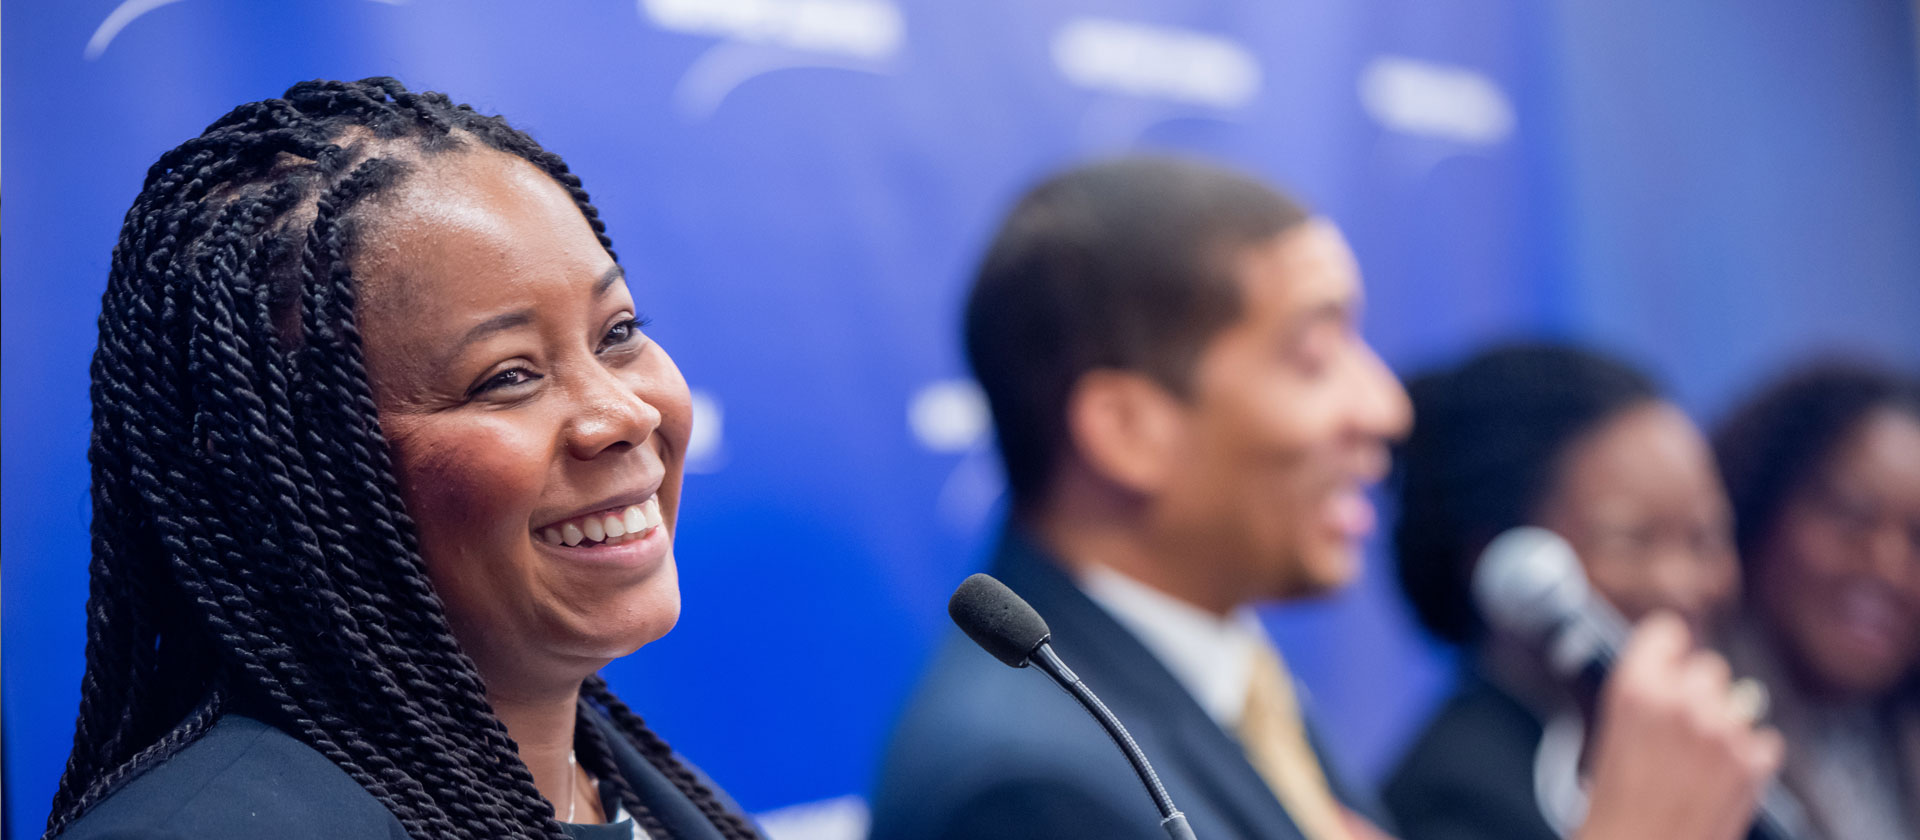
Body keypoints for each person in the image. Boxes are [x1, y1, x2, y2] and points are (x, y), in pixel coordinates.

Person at [867, 156, 1782, 840]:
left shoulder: (1233, 682)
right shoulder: (1028, 784)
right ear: (1127, 429)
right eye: (1314, 356)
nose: (1384, 407)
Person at [47, 78, 762, 840]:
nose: (624, 415)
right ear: (287, 475)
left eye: (617, 331)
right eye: (507, 377)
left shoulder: (629, 786)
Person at [1383, 344, 1744, 840]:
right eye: (1630, 540)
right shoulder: (1451, 803)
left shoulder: (1708, 755)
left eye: (1706, 539)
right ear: (1498, 560)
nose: (1682, 582)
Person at [1714, 362, 1920, 840]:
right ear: (1759, 507)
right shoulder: (1687, 729)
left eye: (1919, 540)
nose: (1887, 569)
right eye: (1851, 516)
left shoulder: (1896, 736)